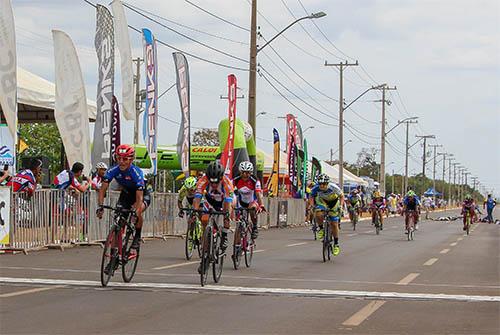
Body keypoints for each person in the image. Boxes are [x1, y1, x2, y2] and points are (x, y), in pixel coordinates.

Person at [96, 145, 150, 250]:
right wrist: (100, 206)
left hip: (141, 194)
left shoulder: (136, 173)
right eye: (118, 158)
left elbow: (139, 198)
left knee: (138, 212)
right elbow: (102, 189)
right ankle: (114, 255)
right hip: (126, 194)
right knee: (119, 222)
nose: (121, 162)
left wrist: (136, 211)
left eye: (125, 159)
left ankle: (137, 236)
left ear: (131, 159)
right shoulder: (113, 170)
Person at [193, 161, 234, 253]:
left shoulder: (226, 182)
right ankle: (205, 247)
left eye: (216, 181)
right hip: (211, 200)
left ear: (221, 178)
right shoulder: (203, 180)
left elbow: (228, 201)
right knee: (204, 219)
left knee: (226, 215)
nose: (214, 184)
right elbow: (198, 196)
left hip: (224, 200)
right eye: (211, 182)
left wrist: (227, 213)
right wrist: (194, 211)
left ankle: (224, 235)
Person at [308, 173, 343, 256]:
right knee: (318, 213)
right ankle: (320, 229)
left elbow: (341, 196)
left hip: (334, 203)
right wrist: (312, 205)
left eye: (324, 184)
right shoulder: (316, 188)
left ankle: (336, 244)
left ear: (327, 183)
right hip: (322, 202)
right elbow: (311, 197)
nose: (322, 186)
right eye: (320, 184)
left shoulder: (333, 187)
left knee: (334, 224)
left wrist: (341, 206)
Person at [233, 161, 265, 240]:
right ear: (240, 172)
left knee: (252, 209)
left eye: (247, 173)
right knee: (239, 218)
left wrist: (261, 205)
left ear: (250, 173)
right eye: (243, 172)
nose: (244, 175)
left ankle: (254, 227)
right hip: (241, 202)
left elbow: (258, 194)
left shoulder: (255, 180)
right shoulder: (236, 179)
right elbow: (230, 192)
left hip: (252, 201)